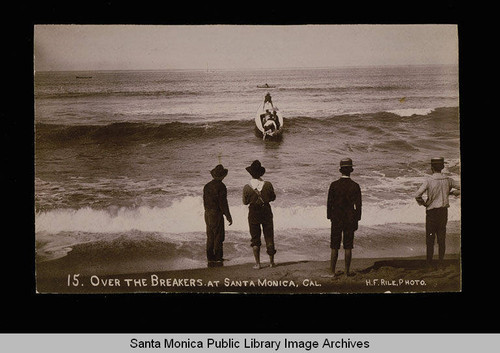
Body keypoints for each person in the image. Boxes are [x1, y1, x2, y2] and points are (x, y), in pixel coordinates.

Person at [414, 157, 460, 267]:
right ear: (442, 167)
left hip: (432, 213)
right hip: (443, 212)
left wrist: (423, 203)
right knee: (441, 238)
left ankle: (429, 262)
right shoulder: (448, 180)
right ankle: (441, 262)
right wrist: (452, 193)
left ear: (431, 168)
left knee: (430, 239)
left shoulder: (429, 181)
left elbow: (417, 195)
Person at [327, 158, 362, 277]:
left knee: (334, 245)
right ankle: (347, 272)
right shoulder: (355, 186)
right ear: (351, 170)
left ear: (340, 170)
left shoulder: (334, 185)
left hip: (336, 218)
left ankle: (332, 272)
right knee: (348, 246)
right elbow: (359, 205)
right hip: (350, 218)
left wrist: (329, 217)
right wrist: (357, 219)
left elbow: (329, 203)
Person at [242, 160, 277, 269]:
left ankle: (258, 264)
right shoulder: (268, 184)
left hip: (253, 213)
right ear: (261, 173)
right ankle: (271, 263)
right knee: (269, 236)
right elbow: (273, 198)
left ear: (251, 173)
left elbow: (245, 202)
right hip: (266, 211)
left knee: (255, 238)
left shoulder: (247, 187)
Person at [203, 164, 232, 267]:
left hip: (207, 213)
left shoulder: (207, 186)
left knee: (210, 236)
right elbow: (223, 203)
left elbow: (205, 202)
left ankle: (210, 258)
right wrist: (228, 216)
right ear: (222, 176)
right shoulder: (221, 186)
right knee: (219, 236)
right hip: (217, 213)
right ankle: (218, 258)